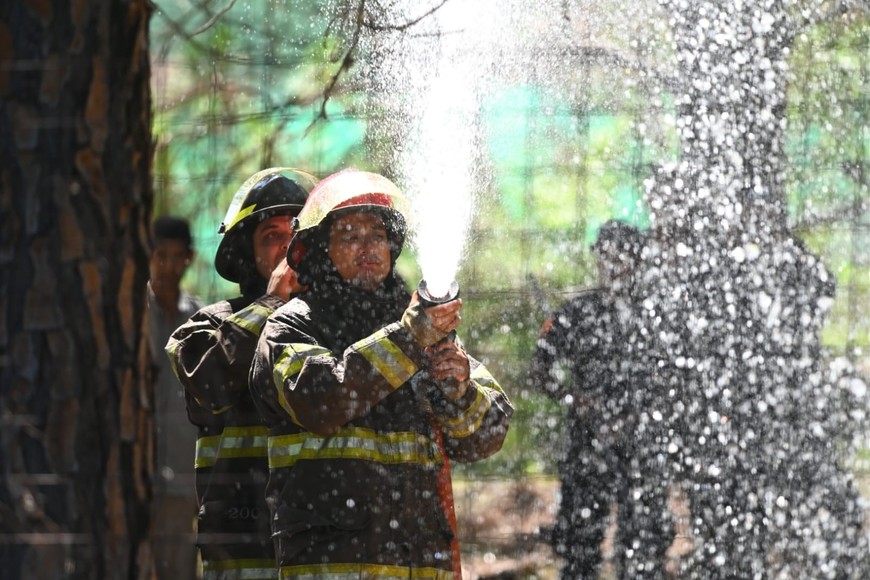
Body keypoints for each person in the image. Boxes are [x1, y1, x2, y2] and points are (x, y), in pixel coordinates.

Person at [248, 168, 514, 579]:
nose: (368, 246)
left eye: (376, 234)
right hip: (333, 568)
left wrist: (460, 390)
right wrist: (410, 339)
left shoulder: (419, 328)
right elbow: (323, 399)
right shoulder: (290, 327)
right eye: (350, 235)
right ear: (320, 250)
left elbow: (487, 436)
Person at [166, 169, 312, 580]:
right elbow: (208, 384)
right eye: (271, 236)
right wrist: (270, 302)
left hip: (317, 549)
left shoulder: (334, 328)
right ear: (248, 255)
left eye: (296, 232)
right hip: (242, 547)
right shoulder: (211, 324)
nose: (287, 246)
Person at [530, 219, 671, 579]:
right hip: (587, 441)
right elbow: (540, 369)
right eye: (604, 255)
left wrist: (649, 412)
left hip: (642, 444)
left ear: (638, 261)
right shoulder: (577, 313)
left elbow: (676, 378)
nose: (612, 264)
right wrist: (572, 398)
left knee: (643, 546)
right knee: (579, 545)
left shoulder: (657, 315)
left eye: (621, 256)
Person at [147, 215, 204, 579]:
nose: (167, 266)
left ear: (189, 258)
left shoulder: (200, 320)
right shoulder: (129, 316)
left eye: (176, 256)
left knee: (179, 567)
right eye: (159, 255)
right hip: (135, 471)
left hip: (184, 474)